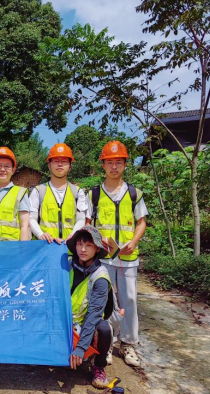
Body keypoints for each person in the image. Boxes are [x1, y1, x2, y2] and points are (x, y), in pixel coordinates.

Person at [86, 140, 148, 368]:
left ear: (125, 164)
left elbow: (141, 222)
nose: (114, 167)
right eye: (109, 162)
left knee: (129, 300)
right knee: (104, 301)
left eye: (118, 162)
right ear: (103, 165)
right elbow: (87, 223)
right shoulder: (93, 195)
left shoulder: (134, 193)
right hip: (103, 258)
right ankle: (107, 343)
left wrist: (134, 241)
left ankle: (128, 343)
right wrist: (97, 237)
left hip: (128, 258)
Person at [67, 226, 115, 389]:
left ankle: (99, 366)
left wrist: (81, 348)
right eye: (79, 244)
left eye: (88, 245)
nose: (82, 249)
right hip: (65, 322)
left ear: (97, 249)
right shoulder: (67, 266)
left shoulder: (100, 276)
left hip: (85, 325)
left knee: (104, 329)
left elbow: (94, 314)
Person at [29, 143, 88, 245]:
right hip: (45, 247)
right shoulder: (39, 191)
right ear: (49, 165)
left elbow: (81, 219)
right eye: (56, 161)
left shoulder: (77, 192)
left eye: (64, 161)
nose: (60, 164)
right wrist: (40, 234)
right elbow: (31, 218)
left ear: (70, 166)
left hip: (69, 248)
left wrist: (73, 235)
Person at [0, 147, 30, 241]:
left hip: (11, 249)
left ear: (13, 170)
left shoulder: (20, 194)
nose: (2, 169)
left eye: (7, 166)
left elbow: (25, 226)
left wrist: (23, 249)